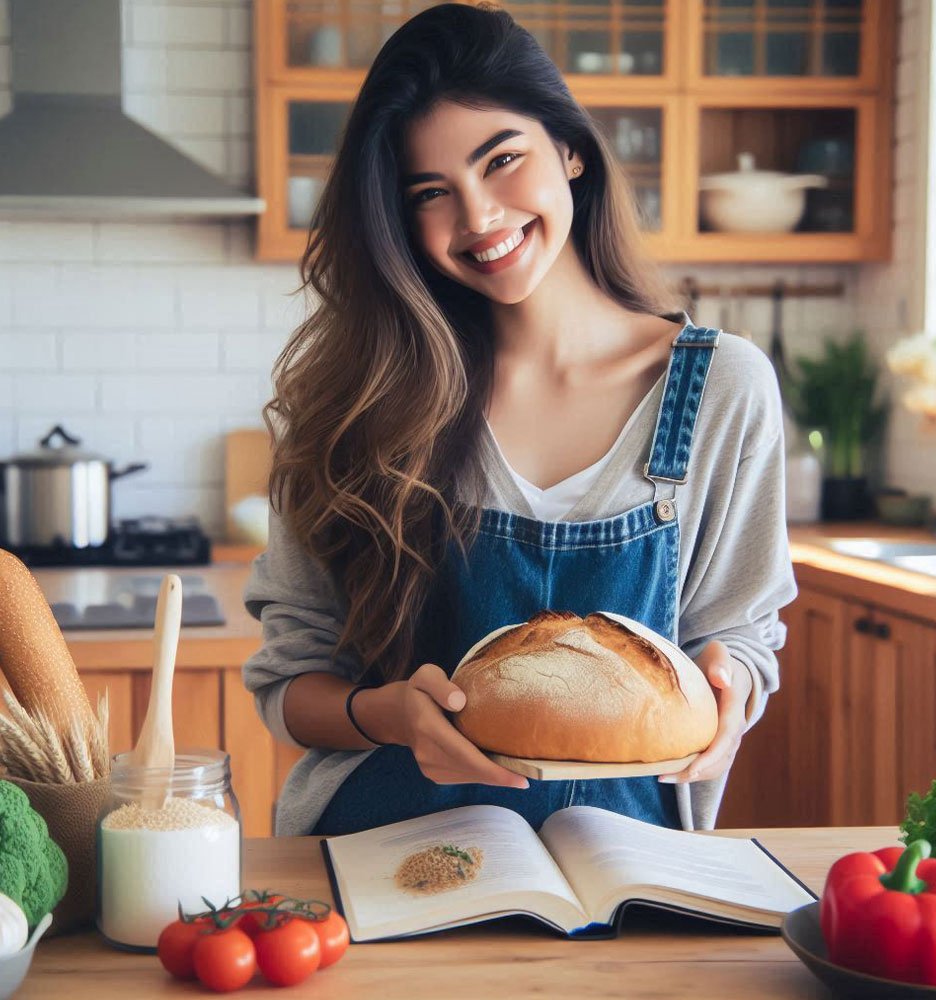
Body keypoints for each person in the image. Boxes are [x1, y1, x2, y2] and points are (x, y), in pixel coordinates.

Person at [243, 2, 797, 838]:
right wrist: (389, 715)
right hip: (384, 852)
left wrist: (732, 688)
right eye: (431, 193)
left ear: (568, 149)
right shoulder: (359, 398)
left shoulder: (723, 388)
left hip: (630, 856)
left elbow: (742, 639)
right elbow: (290, 687)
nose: (478, 218)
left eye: (502, 160)